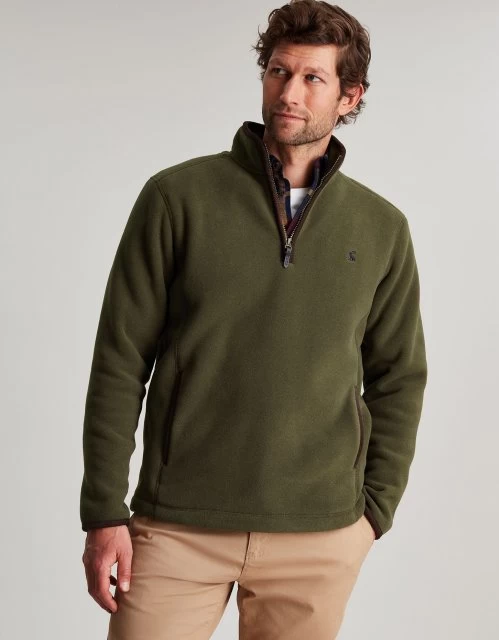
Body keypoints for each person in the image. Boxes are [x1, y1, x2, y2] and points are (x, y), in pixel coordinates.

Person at [80, 1, 428, 638]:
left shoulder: (381, 228)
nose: (289, 93)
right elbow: (120, 359)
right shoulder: (177, 198)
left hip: (319, 534)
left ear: (350, 96)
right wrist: (103, 510)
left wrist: (374, 511)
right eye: (278, 72)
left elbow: (398, 377)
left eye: (313, 78)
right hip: (177, 525)